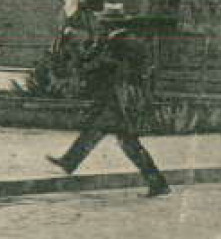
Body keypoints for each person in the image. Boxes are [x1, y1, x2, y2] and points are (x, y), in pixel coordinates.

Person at [47, 21, 171, 197]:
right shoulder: (117, 40)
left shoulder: (124, 42)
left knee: (108, 133)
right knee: (120, 139)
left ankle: (158, 183)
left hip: (122, 98)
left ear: (111, 25)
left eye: (104, 24)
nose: (100, 27)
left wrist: (82, 55)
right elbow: (95, 59)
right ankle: (157, 183)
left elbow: (109, 64)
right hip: (121, 97)